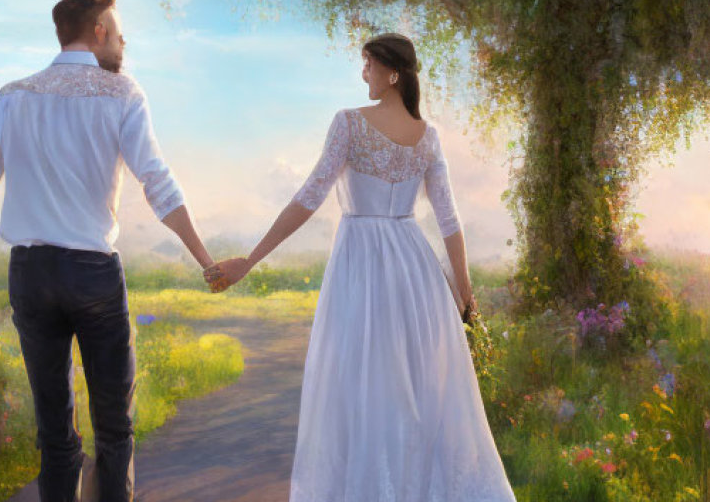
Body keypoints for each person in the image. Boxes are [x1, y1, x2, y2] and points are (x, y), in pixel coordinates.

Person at [205, 33, 517, 501]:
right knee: (413, 392)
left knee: (359, 385)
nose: (363, 73)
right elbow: (449, 221)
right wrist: (464, 296)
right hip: (416, 272)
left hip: (361, 267)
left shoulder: (348, 123)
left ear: (391, 72)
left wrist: (250, 261)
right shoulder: (427, 136)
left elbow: (309, 198)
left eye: (367, 64)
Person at [0, 0, 215, 502]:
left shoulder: (12, 95)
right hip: (92, 274)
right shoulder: (122, 94)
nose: (123, 39)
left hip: (30, 274)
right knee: (114, 427)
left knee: (53, 430)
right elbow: (157, 183)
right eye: (117, 28)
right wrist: (205, 260)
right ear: (97, 32)